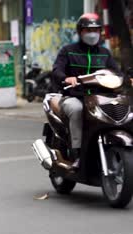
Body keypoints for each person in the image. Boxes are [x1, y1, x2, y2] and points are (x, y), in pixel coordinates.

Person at [52, 13, 120, 168]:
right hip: (74, 96)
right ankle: (77, 153)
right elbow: (57, 70)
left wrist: (125, 79)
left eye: (96, 30)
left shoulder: (105, 53)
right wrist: (66, 78)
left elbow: (116, 72)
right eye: (88, 30)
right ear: (80, 31)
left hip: (99, 97)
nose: (92, 33)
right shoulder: (68, 51)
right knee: (77, 110)